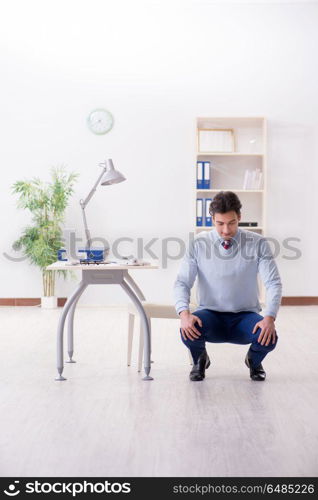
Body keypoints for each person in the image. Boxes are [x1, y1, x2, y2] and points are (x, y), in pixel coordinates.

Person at [173, 191, 282, 382]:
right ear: (212, 219)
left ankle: (254, 361)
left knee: (268, 337)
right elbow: (182, 282)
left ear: (239, 217)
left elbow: (273, 283)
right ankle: (200, 359)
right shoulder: (198, 244)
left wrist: (269, 317)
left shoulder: (258, 243)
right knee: (187, 330)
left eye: (231, 223)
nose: (226, 230)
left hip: (245, 316)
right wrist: (184, 314)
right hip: (210, 315)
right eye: (220, 223)